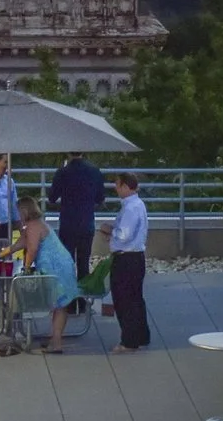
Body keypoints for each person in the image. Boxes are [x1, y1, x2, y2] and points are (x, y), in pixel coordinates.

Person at [15, 197, 79, 353]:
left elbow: (32, 249)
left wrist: (26, 268)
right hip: (61, 265)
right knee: (60, 304)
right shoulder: (36, 224)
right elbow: (22, 243)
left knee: (60, 303)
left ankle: (56, 343)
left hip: (56, 268)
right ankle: (55, 339)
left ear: (24, 212)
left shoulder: (33, 226)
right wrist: (3, 252)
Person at [46, 148, 106, 299]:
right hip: (86, 222)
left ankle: (70, 299)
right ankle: (83, 299)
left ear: (68, 153)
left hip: (68, 222)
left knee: (67, 262)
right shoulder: (94, 171)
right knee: (84, 262)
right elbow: (100, 198)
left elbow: (52, 197)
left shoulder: (63, 172)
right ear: (83, 152)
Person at [107, 171, 151, 352]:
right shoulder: (137, 204)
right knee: (135, 298)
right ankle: (140, 335)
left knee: (125, 299)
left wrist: (109, 231)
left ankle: (129, 340)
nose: (115, 188)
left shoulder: (131, 208)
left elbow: (125, 235)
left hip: (127, 257)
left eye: (117, 184)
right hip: (135, 257)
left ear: (125, 186)